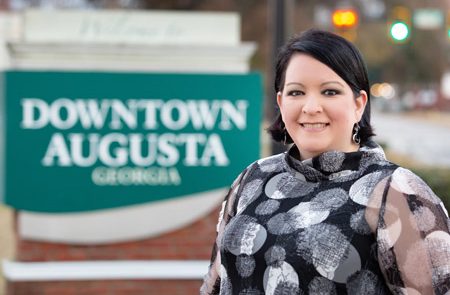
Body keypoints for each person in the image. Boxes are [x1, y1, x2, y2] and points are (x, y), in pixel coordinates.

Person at [200, 29, 450, 295]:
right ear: (280, 102)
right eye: (296, 93)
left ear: (358, 104)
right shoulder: (253, 178)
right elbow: (213, 286)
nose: (310, 107)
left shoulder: (396, 191)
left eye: (329, 92)